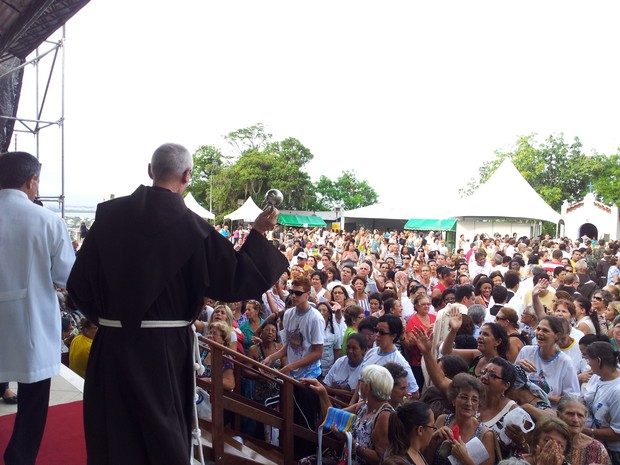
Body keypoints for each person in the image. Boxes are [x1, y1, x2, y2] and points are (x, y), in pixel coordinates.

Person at [67, 143, 288, 465]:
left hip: (113, 345)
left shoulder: (108, 217)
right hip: (164, 350)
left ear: (149, 171)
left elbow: (78, 286)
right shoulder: (192, 228)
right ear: (187, 175)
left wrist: (115, 321)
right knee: (162, 435)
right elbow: (236, 280)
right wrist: (258, 232)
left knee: (114, 433)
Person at [0, 151, 75, 465]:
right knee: (33, 402)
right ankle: (19, 457)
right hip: (31, 323)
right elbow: (66, 274)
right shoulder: (47, 219)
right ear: (31, 181)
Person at [301, 364, 394, 465]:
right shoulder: (363, 406)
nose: (358, 385)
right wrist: (322, 392)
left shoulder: (384, 416)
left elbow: (381, 458)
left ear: (368, 387)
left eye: (361, 381)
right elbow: (332, 416)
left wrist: (352, 442)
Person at [424, 373, 495, 465]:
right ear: (453, 399)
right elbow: (426, 461)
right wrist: (434, 438)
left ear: (478, 404)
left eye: (474, 400)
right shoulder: (442, 420)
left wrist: (464, 458)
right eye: (464, 397)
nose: (469, 403)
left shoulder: (485, 434)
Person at [582, 341, 620, 465]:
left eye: (588, 359)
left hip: (614, 452)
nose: (588, 363)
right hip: (599, 445)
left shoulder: (617, 391)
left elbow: (617, 433)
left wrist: (583, 431)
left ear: (598, 361)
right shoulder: (597, 376)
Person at [556, 396, 611, 465]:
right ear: (558, 415)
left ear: (585, 420)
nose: (575, 420)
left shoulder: (597, 448)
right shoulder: (548, 442)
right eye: (570, 414)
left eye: (580, 415)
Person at [384, 400, 436, 465]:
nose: (434, 431)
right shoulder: (397, 462)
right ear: (420, 430)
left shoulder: (415, 452)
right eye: (432, 426)